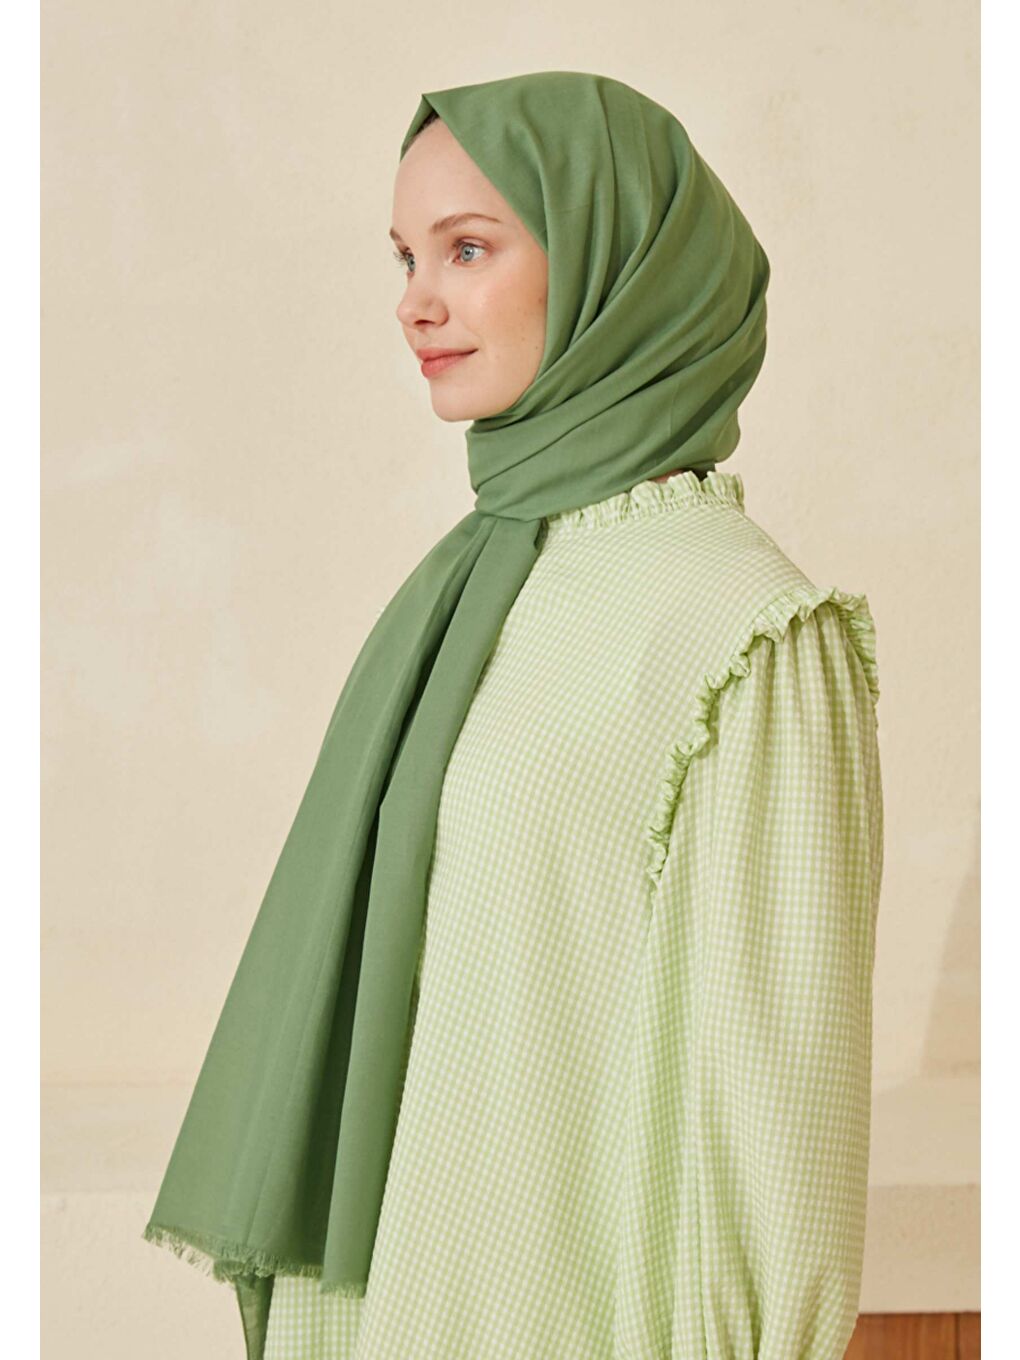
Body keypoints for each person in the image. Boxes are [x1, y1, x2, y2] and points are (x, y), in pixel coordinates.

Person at [143, 73, 884, 1360]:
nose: (414, 301)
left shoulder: (751, 634)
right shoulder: (478, 584)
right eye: (406, 256)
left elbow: (777, 1125)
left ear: (616, 265)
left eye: (469, 248)